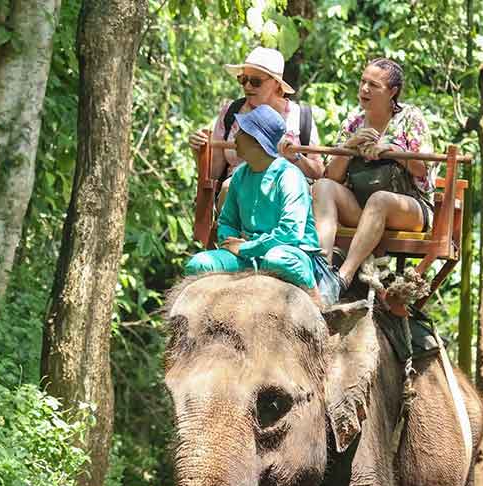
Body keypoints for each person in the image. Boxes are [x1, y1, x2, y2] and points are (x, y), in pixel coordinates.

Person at [311, 58, 436, 291]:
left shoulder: (410, 117)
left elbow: (424, 170)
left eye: (373, 85)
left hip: (409, 208)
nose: (364, 89)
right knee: (322, 187)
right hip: (362, 209)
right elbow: (333, 177)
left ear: (393, 92)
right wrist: (349, 147)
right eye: (362, 82)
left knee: (380, 199)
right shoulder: (353, 121)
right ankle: (321, 266)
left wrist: (393, 151)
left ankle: (342, 278)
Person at [185, 105, 322, 298]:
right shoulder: (240, 174)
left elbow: (290, 233)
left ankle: (315, 298)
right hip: (246, 255)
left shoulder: (289, 176)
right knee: (199, 264)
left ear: (257, 141)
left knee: (277, 261)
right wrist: (229, 242)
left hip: (288, 253)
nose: (235, 137)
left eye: (242, 132)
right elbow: (227, 221)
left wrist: (247, 247)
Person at [189, 47, 325, 212]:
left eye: (255, 81)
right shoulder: (232, 112)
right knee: (229, 186)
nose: (247, 86)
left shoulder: (299, 116)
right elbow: (214, 173)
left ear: (276, 84)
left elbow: (319, 172)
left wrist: (295, 157)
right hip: (236, 196)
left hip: (284, 197)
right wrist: (200, 150)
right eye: (243, 79)